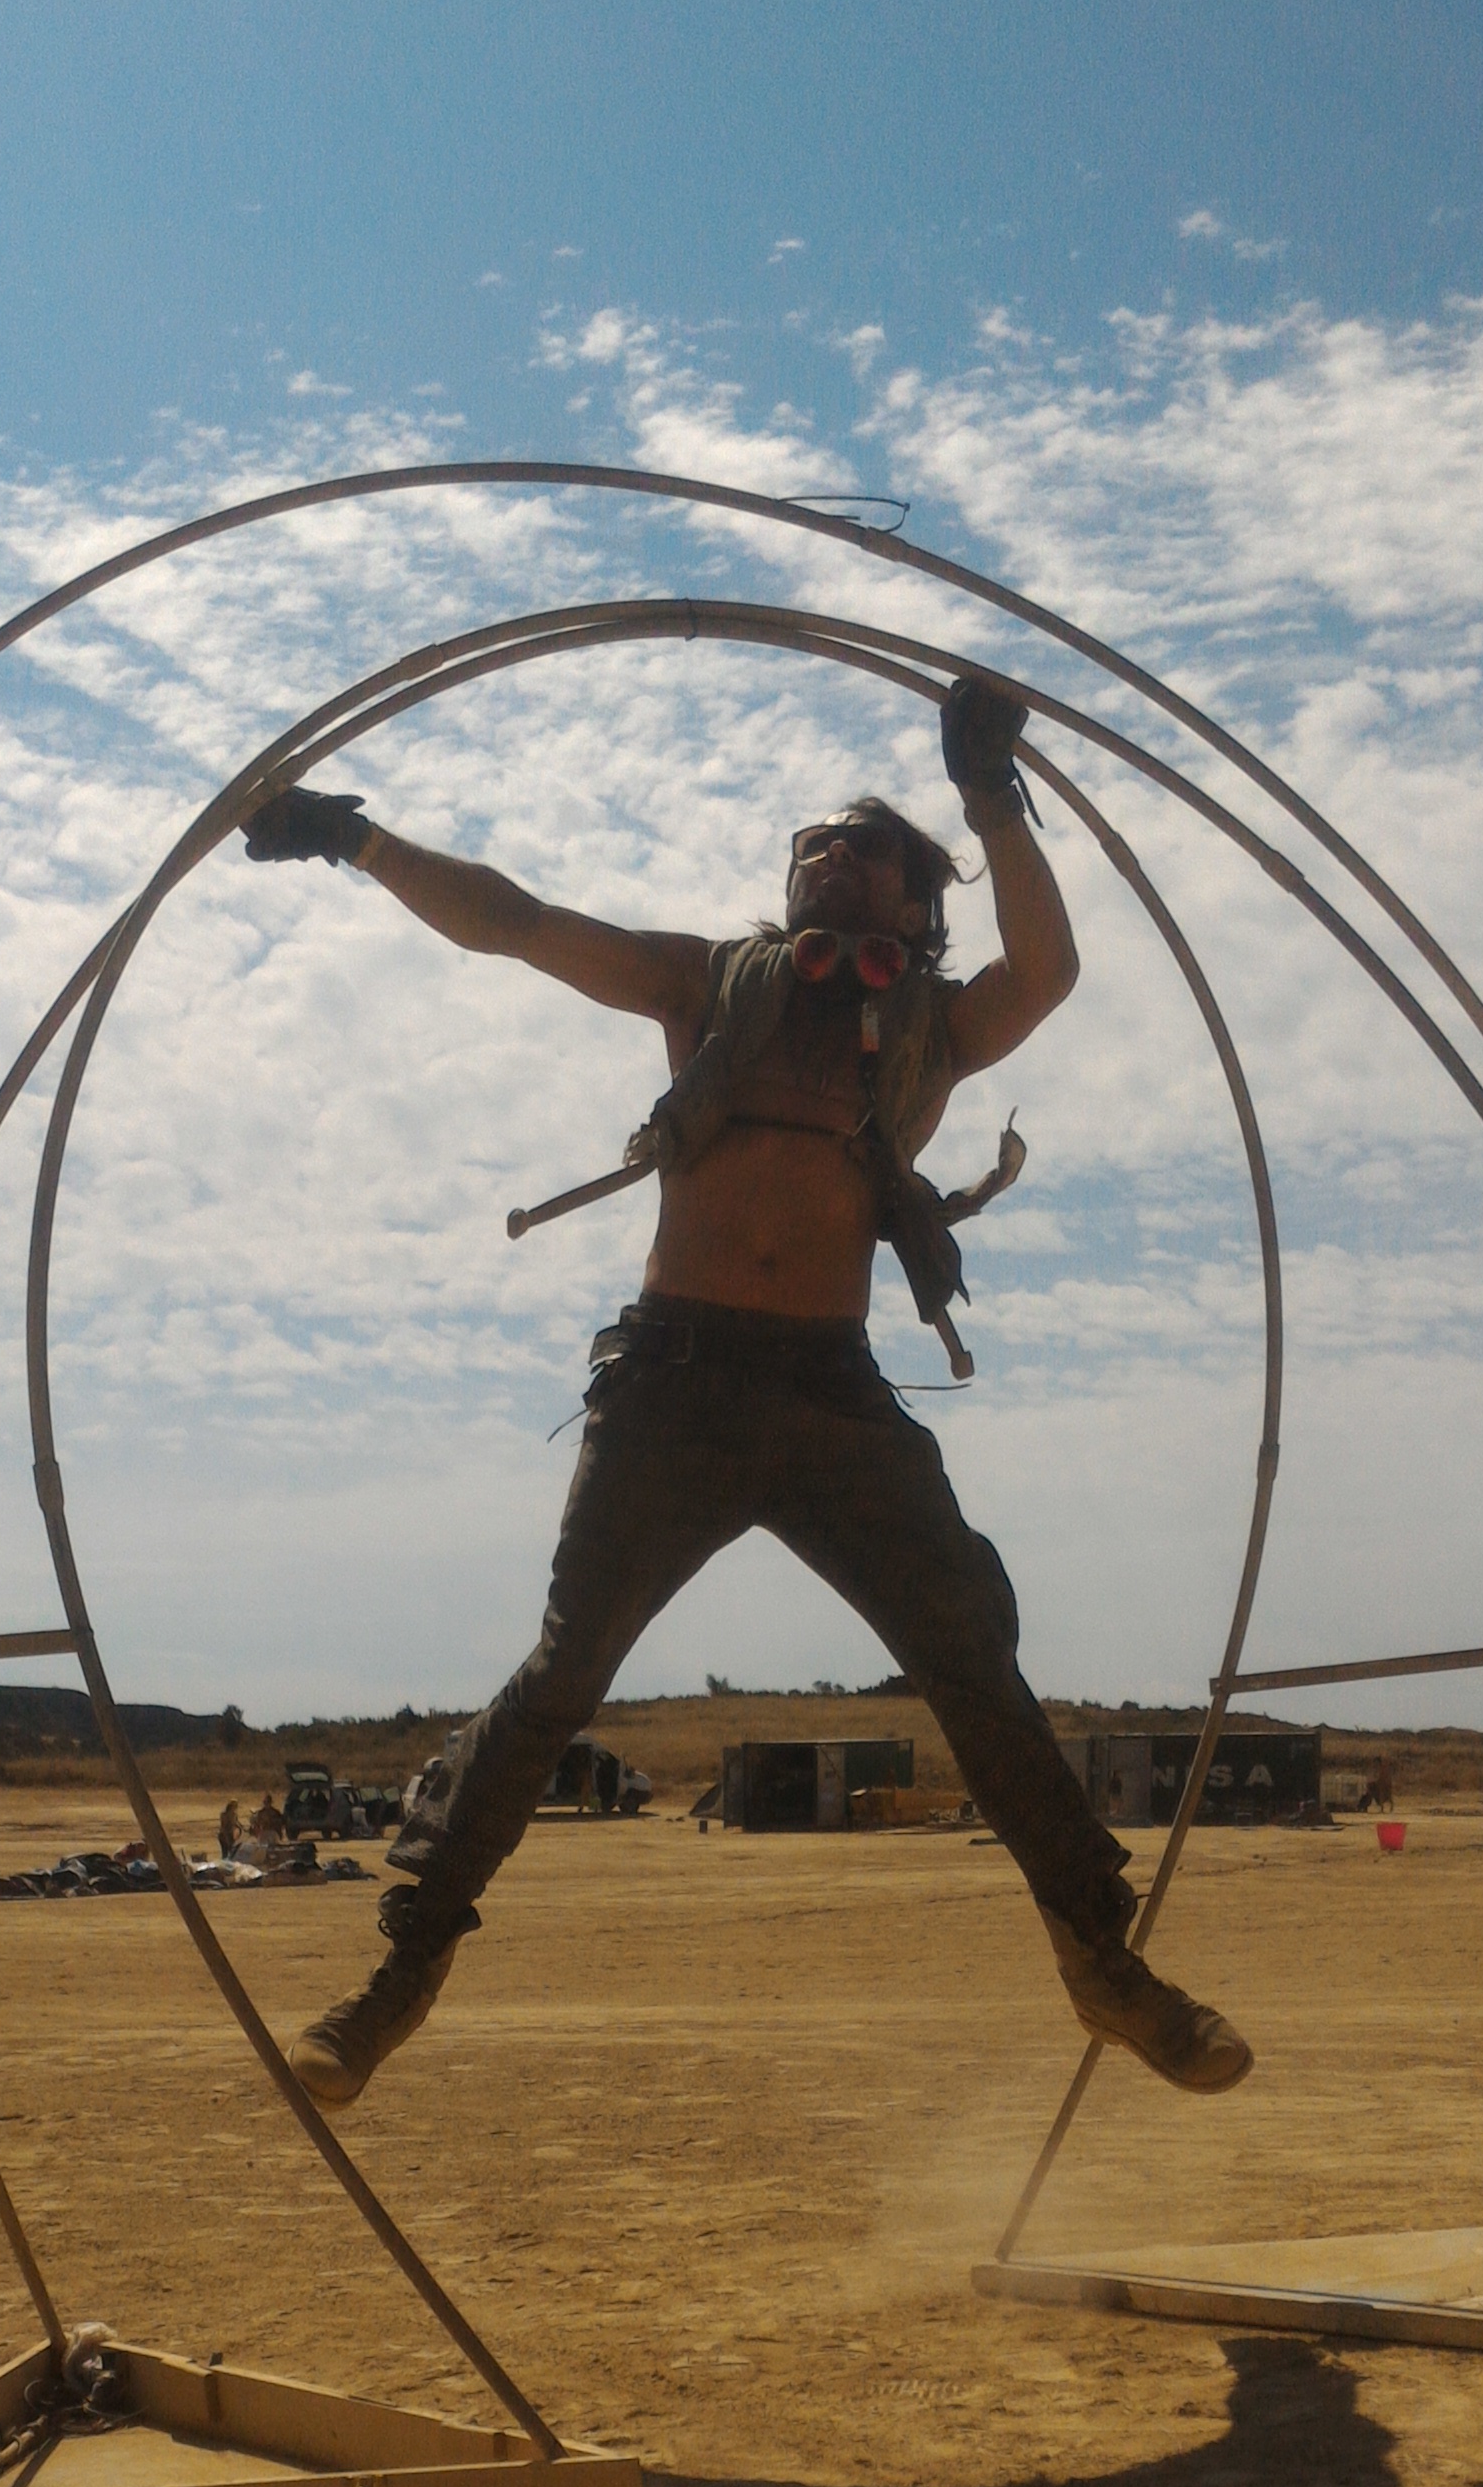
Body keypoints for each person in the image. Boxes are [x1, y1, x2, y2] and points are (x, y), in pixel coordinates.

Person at [242, 676, 1252, 2113]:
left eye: (865, 847)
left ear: (919, 901)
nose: (829, 855)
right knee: (565, 1672)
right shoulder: (714, 983)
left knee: (970, 1657)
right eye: (813, 844)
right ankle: (398, 1976)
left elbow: (1045, 971)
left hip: (830, 1392)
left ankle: (1102, 1958)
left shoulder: (934, 1025)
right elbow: (521, 924)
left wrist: (990, 796)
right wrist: (356, 839)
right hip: (678, 1378)